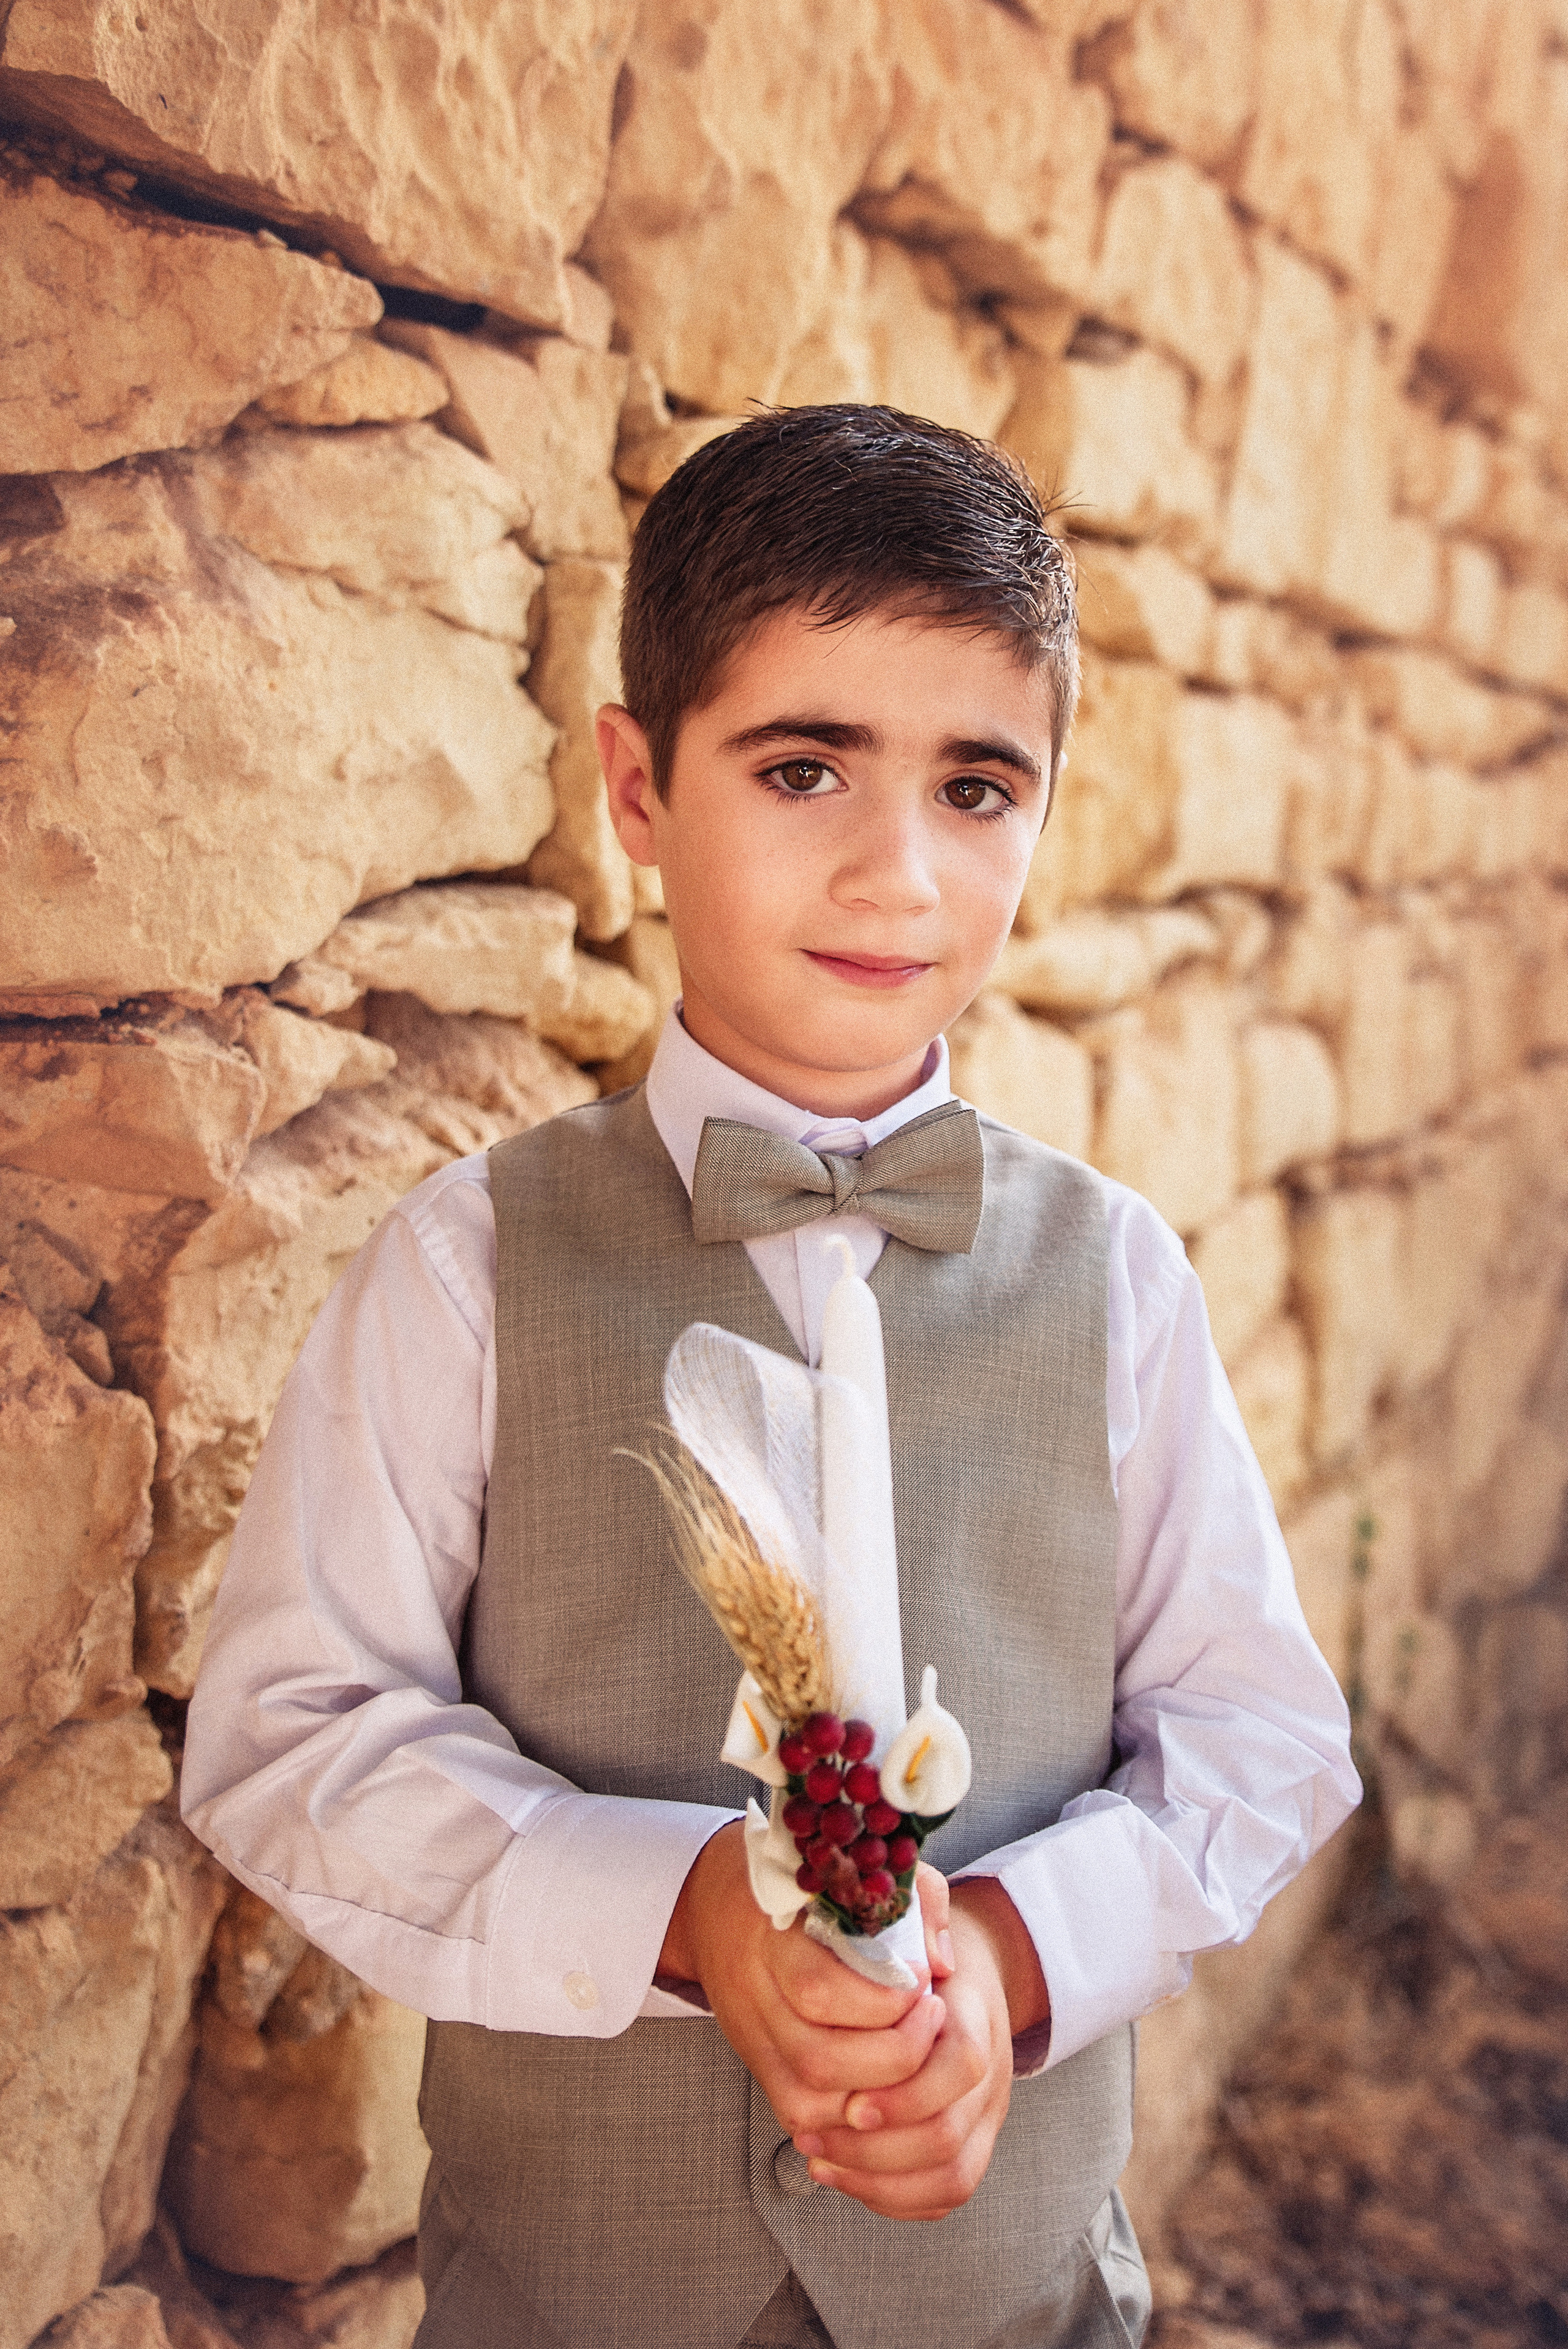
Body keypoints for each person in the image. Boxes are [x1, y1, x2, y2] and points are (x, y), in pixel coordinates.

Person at [183, 404, 1360, 2349]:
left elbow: (1259, 1732)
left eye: (978, 787)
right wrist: (678, 1910)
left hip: (1019, 2307)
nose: (897, 871)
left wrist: (1015, 1950)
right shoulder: (467, 1271)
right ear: (637, 789)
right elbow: (296, 1733)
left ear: (1049, 806)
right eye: (804, 766)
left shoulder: (1121, 1284)